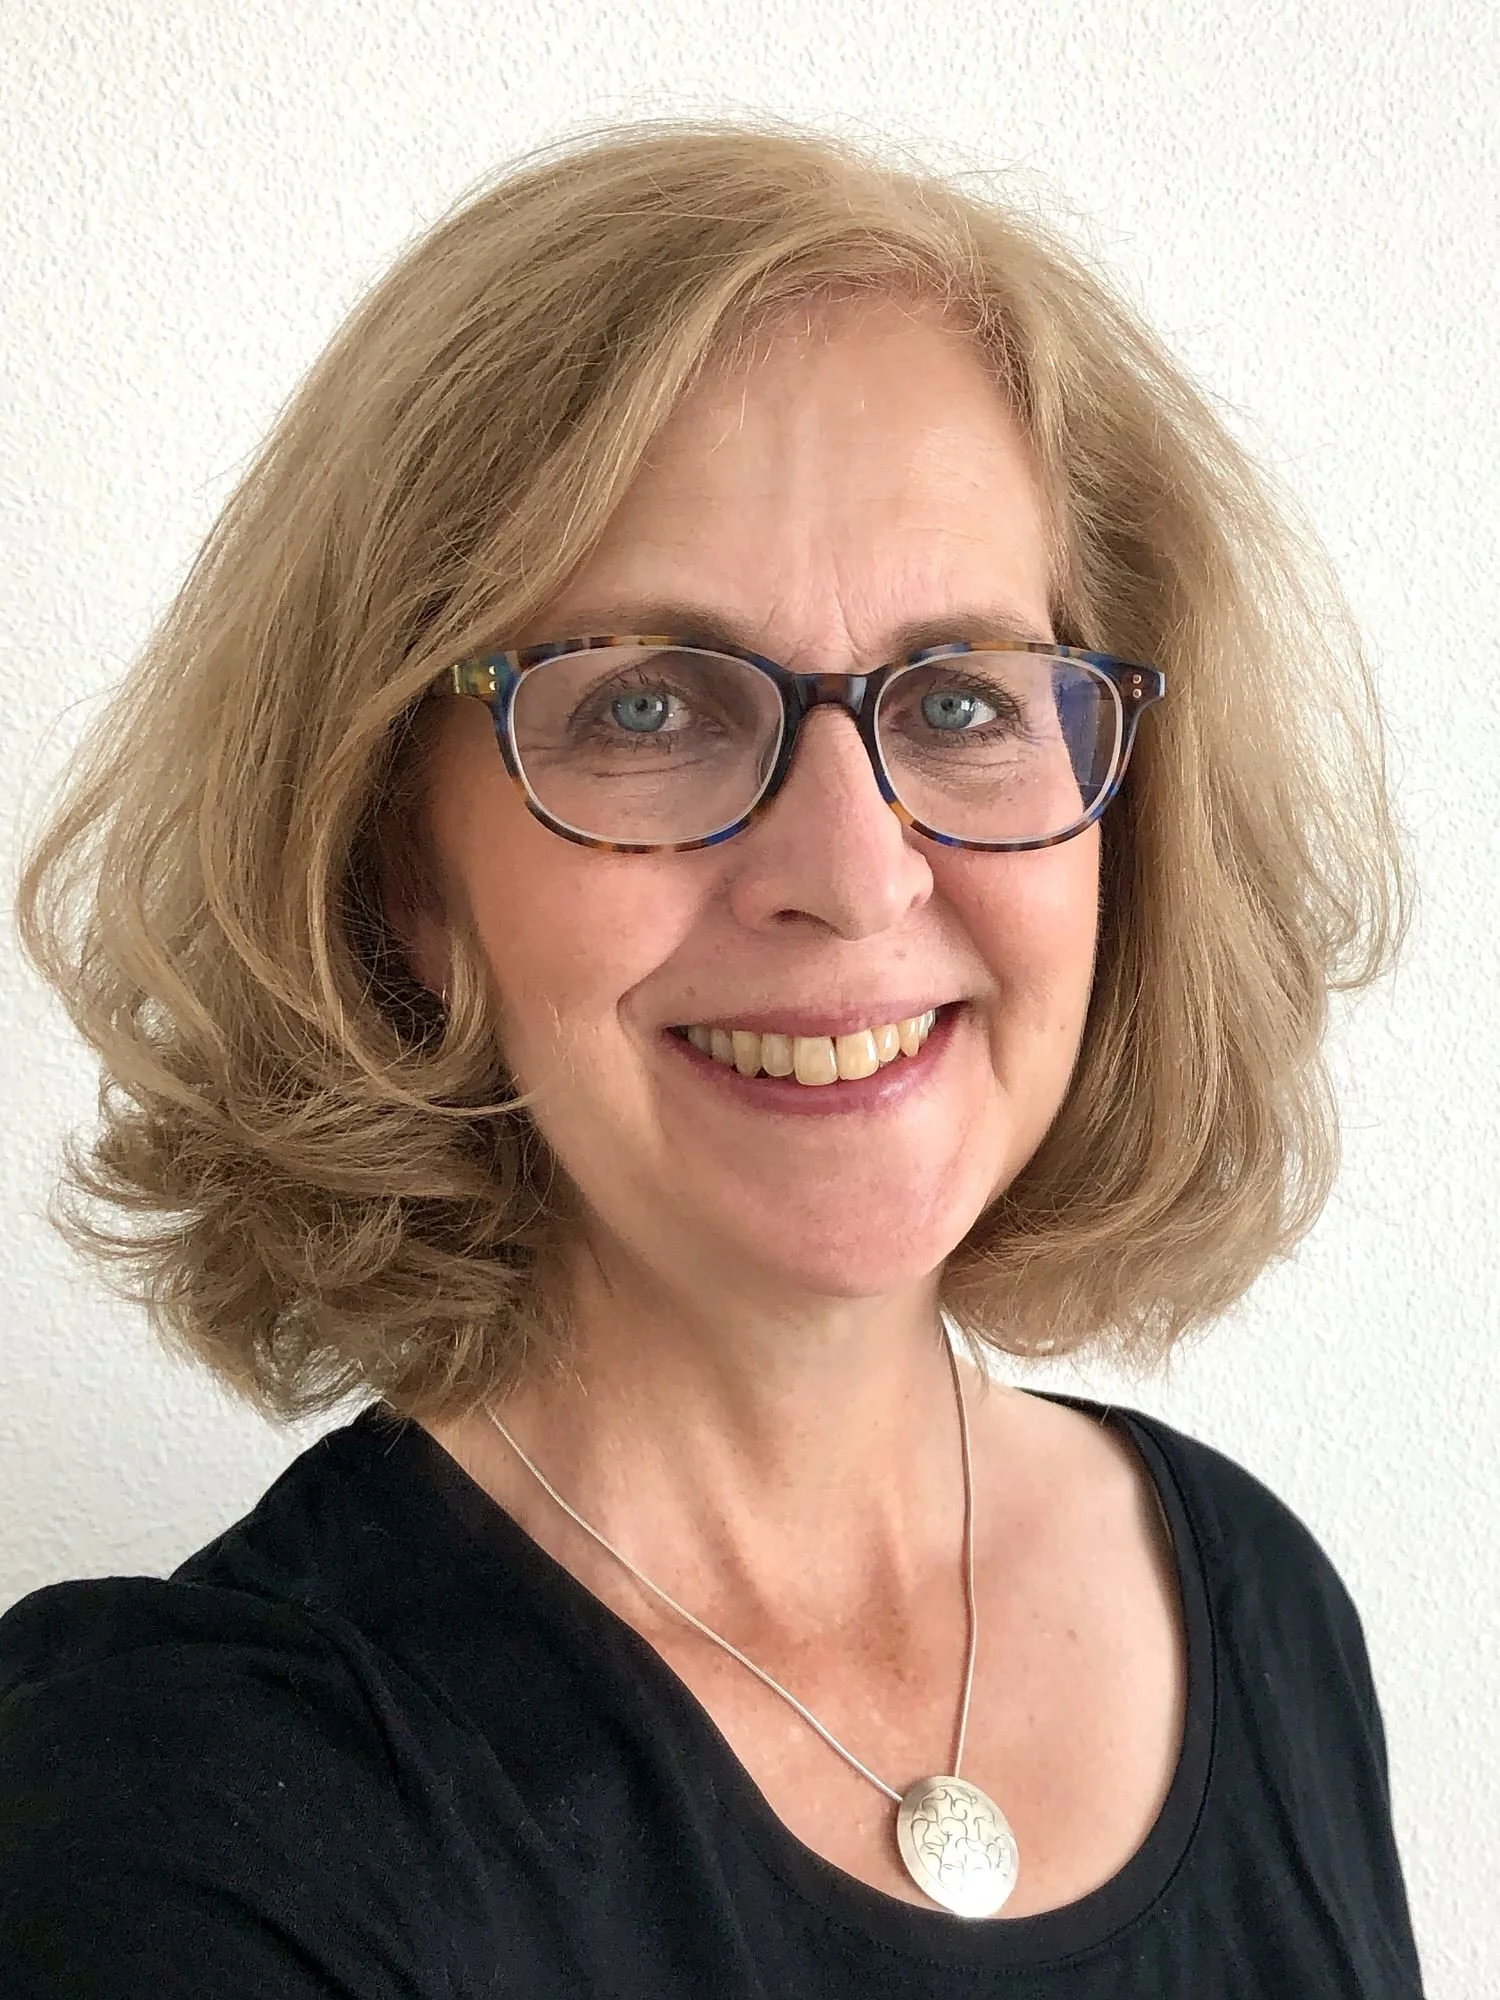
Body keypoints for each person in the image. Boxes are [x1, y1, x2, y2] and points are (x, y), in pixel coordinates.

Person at [0, 120, 1423, 1996]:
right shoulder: (175, 1828)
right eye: (647, 705)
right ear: (401, 868)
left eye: (965, 698)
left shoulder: (1252, 1599)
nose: (850, 873)